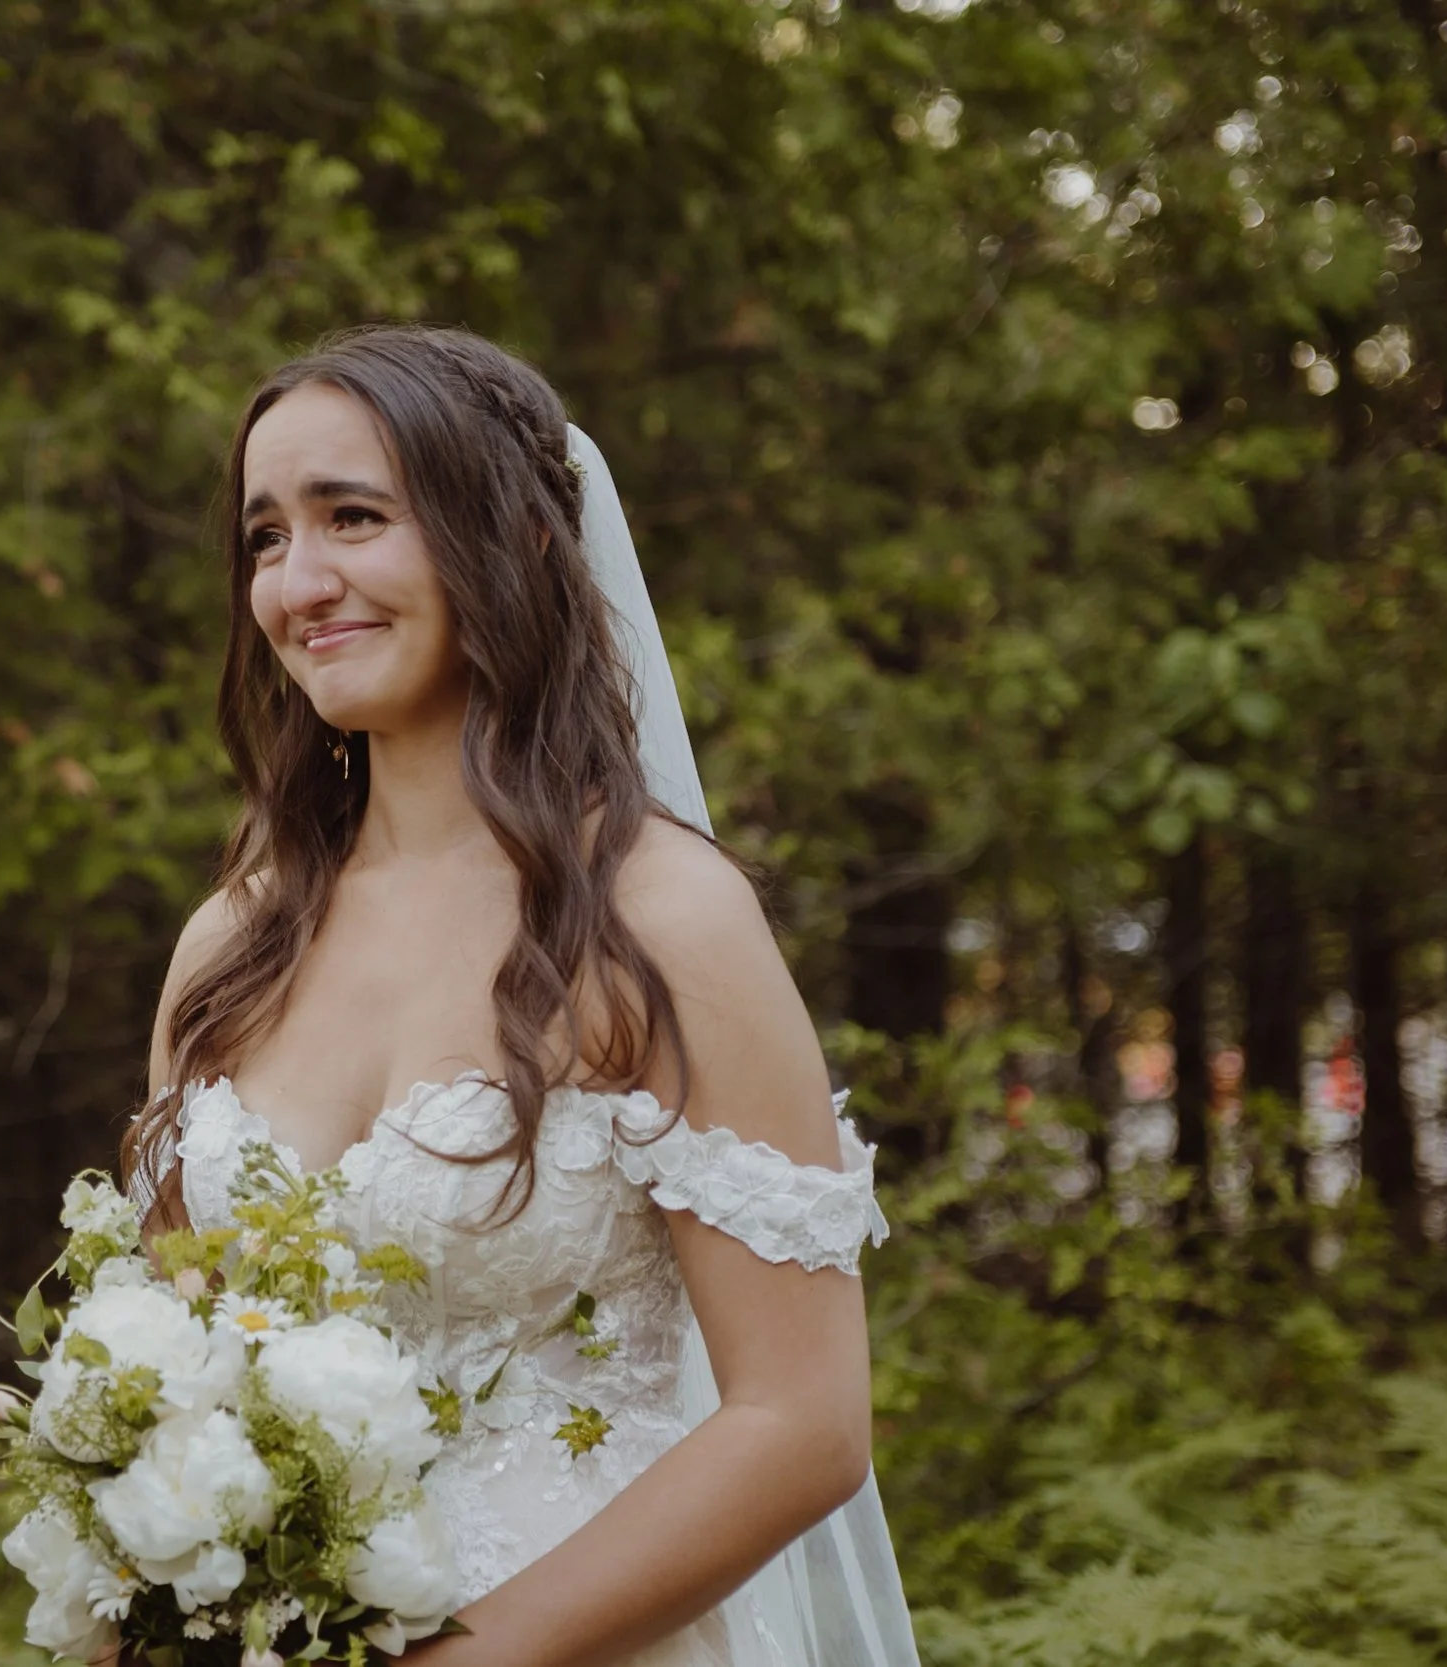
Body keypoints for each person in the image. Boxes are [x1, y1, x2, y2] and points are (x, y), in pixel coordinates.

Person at [127, 326, 919, 1665]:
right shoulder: (229, 945)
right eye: (266, 538)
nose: (298, 582)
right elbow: (159, 1380)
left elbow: (802, 1421)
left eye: (354, 518)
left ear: (521, 540)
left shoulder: (661, 919)